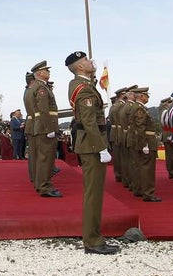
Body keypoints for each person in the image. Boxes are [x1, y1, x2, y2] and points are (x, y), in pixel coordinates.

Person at [65, 51, 120, 254]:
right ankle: (93, 241)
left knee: (94, 193)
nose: (91, 62)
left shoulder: (84, 84)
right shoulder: (83, 89)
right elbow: (89, 122)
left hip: (90, 144)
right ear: (80, 67)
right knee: (93, 194)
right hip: (91, 145)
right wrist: (101, 147)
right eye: (87, 60)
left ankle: (94, 237)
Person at [27, 60, 61, 197]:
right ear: (40, 73)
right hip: (44, 127)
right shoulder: (41, 88)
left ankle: (40, 184)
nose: (48, 72)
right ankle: (45, 187)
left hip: (41, 127)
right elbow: (43, 110)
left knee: (42, 158)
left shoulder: (36, 86)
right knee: (46, 158)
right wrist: (49, 128)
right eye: (46, 70)